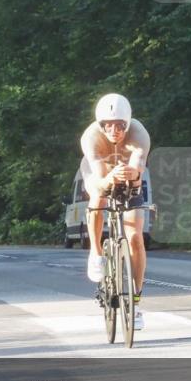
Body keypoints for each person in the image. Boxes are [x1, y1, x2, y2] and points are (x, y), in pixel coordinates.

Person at [80, 93, 150, 330]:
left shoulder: (139, 134)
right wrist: (110, 178)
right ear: (99, 124)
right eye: (107, 125)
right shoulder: (91, 137)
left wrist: (133, 173)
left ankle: (136, 302)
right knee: (98, 198)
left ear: (128, 123)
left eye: (120, 125)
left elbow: (138, 169)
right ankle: (96, 252)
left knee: (135, 237)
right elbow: (100, 181)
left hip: (129, 177)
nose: (114, 131)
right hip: (99, 175)